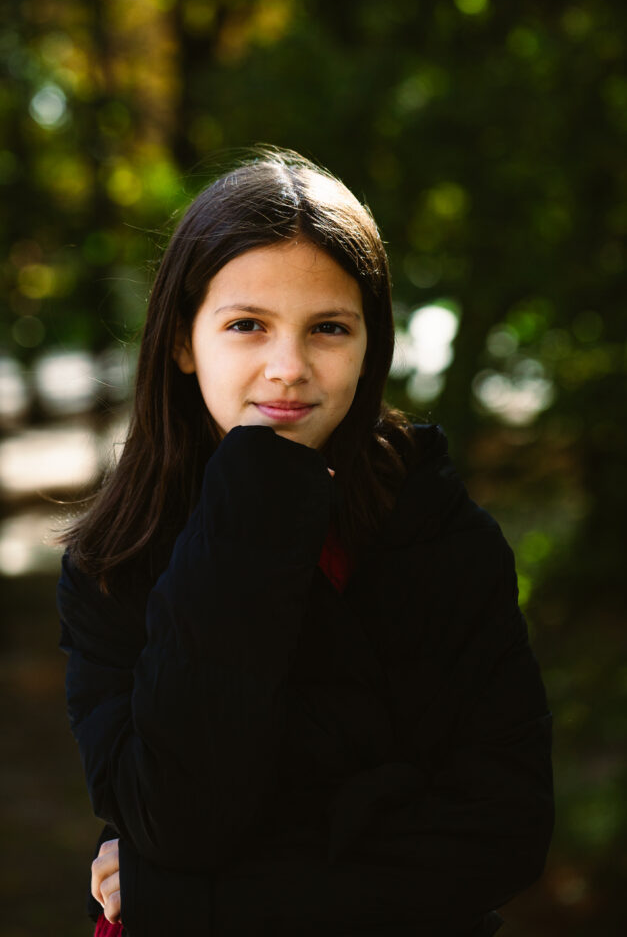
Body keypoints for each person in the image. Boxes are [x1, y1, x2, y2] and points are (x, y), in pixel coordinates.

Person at [56, 147, 554, 937]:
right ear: (183, 342)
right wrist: (251, 501)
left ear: (370, 344)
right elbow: (181, 822)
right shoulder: (113, 566)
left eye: (327, 328)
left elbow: (500, 835)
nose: (287, 367)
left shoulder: (442, 537)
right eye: (246, 326)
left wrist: (196, 901)